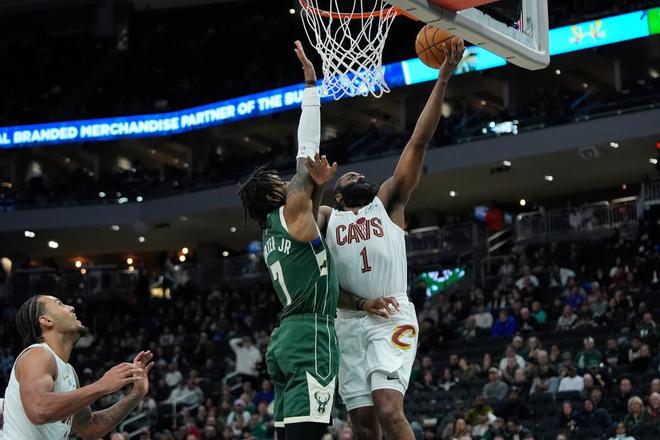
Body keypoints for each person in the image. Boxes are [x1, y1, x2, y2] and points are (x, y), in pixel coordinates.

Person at [315, 38, 465, 440]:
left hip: (391, 315)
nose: (359, 176)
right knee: (364, 427)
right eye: (349, 177)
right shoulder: (327, 217)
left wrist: (443, 78)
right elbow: (301, 216)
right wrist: (316, 184)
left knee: (388, 409)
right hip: (348, 322)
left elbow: (418, 141)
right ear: (338, 195)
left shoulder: (387, 202)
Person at [238, 41, 358, 440]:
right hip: (311, 335)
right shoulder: (290, 208)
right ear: (276, 193)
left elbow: (310, 214)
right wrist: (310, 86)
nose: (289, 181)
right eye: (282, 181)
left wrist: (317, 188)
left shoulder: (275, 228)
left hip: (286, 338)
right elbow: (307, 151)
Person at [2, 295, 153, 439]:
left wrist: (136, 394)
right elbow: (38, 409)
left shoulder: (69, 372)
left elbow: (89, 428)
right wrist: (102, 386)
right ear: (46, 320)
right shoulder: (38, 354)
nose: (71, 307)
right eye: (60, 304)